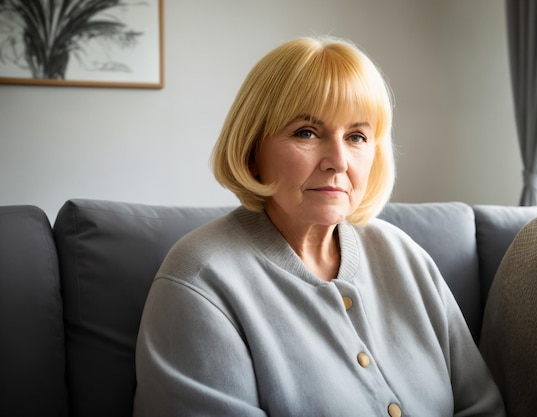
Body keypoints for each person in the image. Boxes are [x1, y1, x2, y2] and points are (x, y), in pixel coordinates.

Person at [133, 36, 505, 417]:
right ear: (252, 150)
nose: (338, 161)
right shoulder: (200, 280)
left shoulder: (405, 255)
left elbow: (482, 407)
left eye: (357, 136)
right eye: (306, 133)